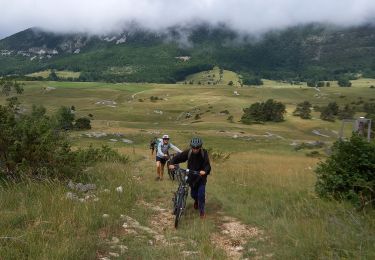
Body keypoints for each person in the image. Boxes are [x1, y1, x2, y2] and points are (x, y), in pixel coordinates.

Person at [169, 137, 211, 218]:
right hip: (191, 177)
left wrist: (205, 171)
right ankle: (196, 201)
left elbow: (207, 165)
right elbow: (179, 157)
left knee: (201, 195)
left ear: (200, 147)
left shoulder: (204, 153)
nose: (195, 149)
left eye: (197, 147)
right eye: (193, 147)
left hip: (201, 177)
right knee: (193, 194)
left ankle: (202, 212)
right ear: (191, 147)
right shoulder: (189, 152)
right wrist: (172, 163)